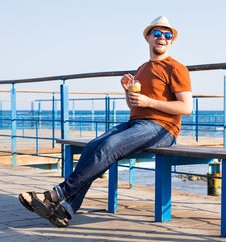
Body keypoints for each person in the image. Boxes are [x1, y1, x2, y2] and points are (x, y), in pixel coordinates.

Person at [18, 16, 192, 227]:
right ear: (148, 37)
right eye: (157, 33)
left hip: (162, 129)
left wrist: (149, 101)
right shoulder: (142, 69)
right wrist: (128, 92)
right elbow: (134, 107)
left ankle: (55, 194)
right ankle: (66, 210)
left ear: (172, 41)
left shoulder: (176, 68)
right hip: (137, 123)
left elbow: (186, 108)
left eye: (167, 35)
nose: (162, 38)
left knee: (110, 147)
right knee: (92, 145)